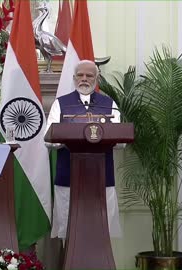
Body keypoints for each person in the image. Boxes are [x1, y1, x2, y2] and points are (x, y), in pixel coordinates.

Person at [46, 60, 122, 240]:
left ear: (97, 79)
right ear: (74, 78)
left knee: (101, 233)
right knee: (70, 232)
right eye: (80, 75)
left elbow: (120, 138)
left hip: (101, 176)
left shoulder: (108, 103)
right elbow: (48, 138)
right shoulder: (61, 104)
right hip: (69, 176)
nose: (84, 79)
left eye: (89, 75)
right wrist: (67, 138)